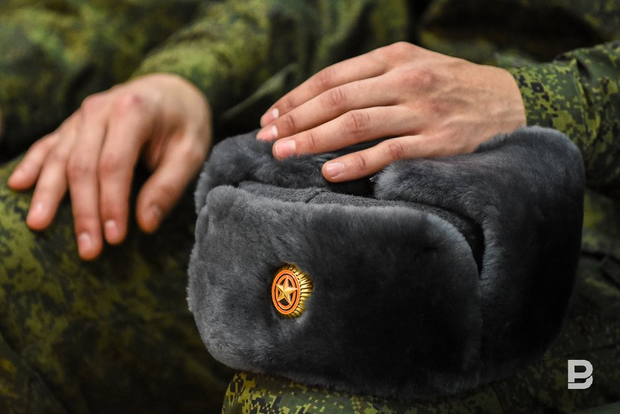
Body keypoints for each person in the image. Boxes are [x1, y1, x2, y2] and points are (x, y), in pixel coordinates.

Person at [0, 0, 618, 412]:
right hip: (350, 164)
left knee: (314, 393)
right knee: (15, 248)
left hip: (585, 239)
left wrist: (530, 99)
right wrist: (188, 78)